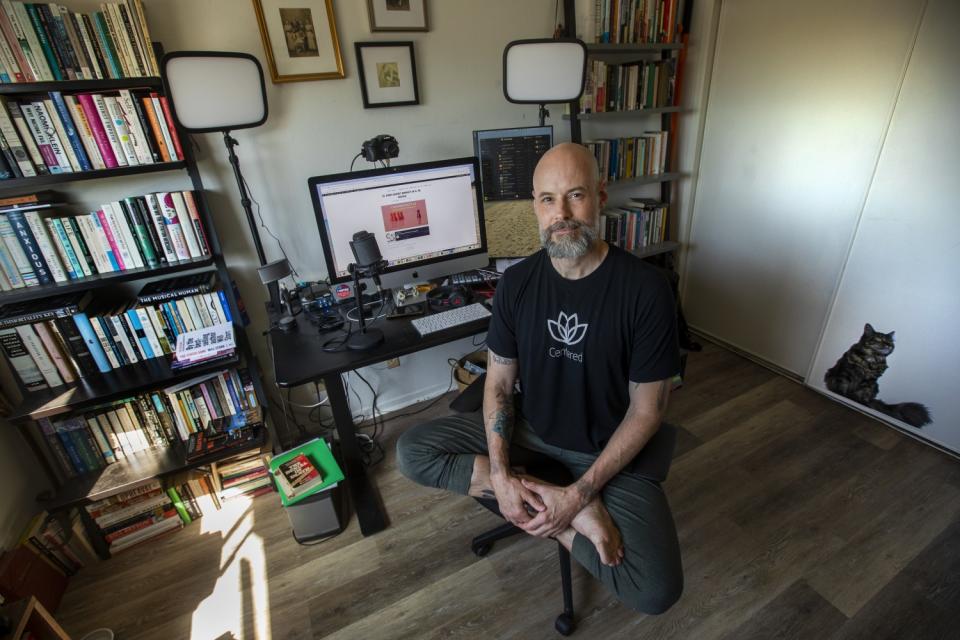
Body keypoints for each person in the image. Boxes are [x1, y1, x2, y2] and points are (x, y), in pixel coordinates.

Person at [396, 143, 683, 614]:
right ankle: (562, 513)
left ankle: (561, 508)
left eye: (575, 195)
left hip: (604, 448)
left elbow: (648, 410)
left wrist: (580, 493)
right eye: (548, 199)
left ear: (601, 195)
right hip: (533, 429)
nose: (562, 214)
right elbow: (499, 383)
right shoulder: (517, 283)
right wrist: (504, 472)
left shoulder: (646, 290)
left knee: (655, 592)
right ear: (534, 204)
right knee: (411, 452)